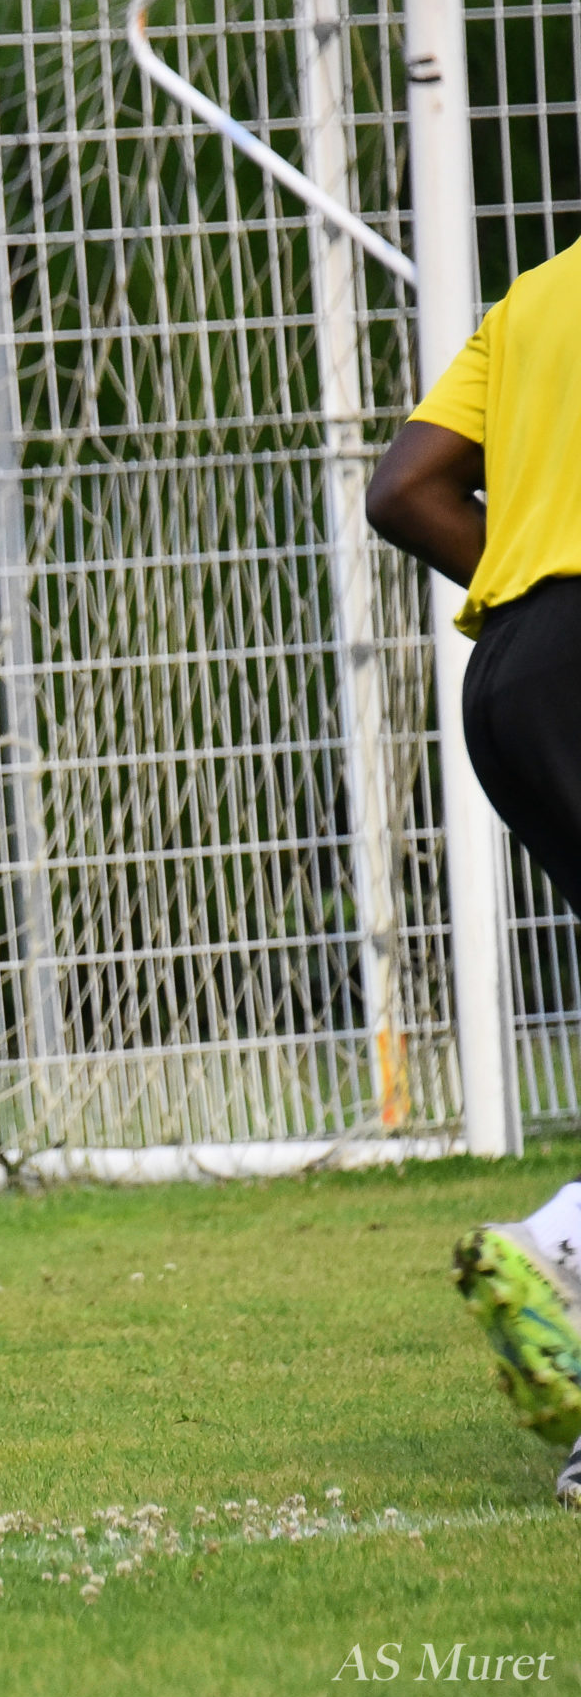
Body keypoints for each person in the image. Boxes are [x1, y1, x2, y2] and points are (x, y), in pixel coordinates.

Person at [365, 236, 581, 1508]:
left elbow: (405, 488)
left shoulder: (540, 293)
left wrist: (531, 600)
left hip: (515, 671)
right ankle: (566, 1242)